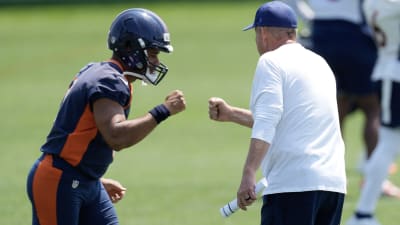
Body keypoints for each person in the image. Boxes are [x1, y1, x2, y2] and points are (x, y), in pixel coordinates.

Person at [26, 8, 186, 225]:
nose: (156, 61)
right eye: (152, 53)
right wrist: (162, 111)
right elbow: (116, 137)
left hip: (83, 178)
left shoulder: (103, 72)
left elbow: (81, 133)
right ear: (130, 47)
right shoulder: (108, 81)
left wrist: (94, 179)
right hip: (60, 179)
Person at [208, 1, 346, 225]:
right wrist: (232, 114)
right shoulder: (320, 63)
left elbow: (267, 121)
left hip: (293, 185)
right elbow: (290, 120)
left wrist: (248, 173)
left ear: (262, 33)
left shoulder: (271, 62)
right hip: (332, 185)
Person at [346, 1, 400, 225]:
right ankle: (363, 213)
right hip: (394, 73)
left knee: (389, 143)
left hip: (389, 70)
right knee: (388, 143)